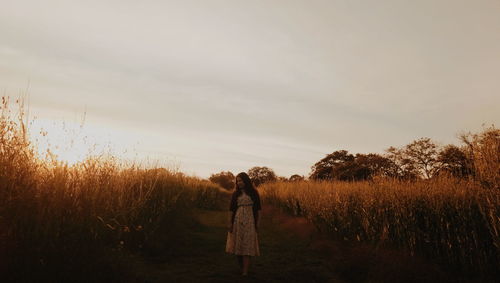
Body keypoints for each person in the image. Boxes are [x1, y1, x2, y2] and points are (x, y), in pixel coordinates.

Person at [225, 172, 261, 276]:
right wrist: (230, 223)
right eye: (237, 181)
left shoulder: (254, 193)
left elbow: (259, 210)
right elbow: (231, 210)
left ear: (246, 180)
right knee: (238, 246)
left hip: (250, 221)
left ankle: (245, 271)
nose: (239, 183)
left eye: (241, 180)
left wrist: (258, 223)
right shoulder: (236, 194)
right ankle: (243, 267)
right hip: (238, 221)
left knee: (247, 246)